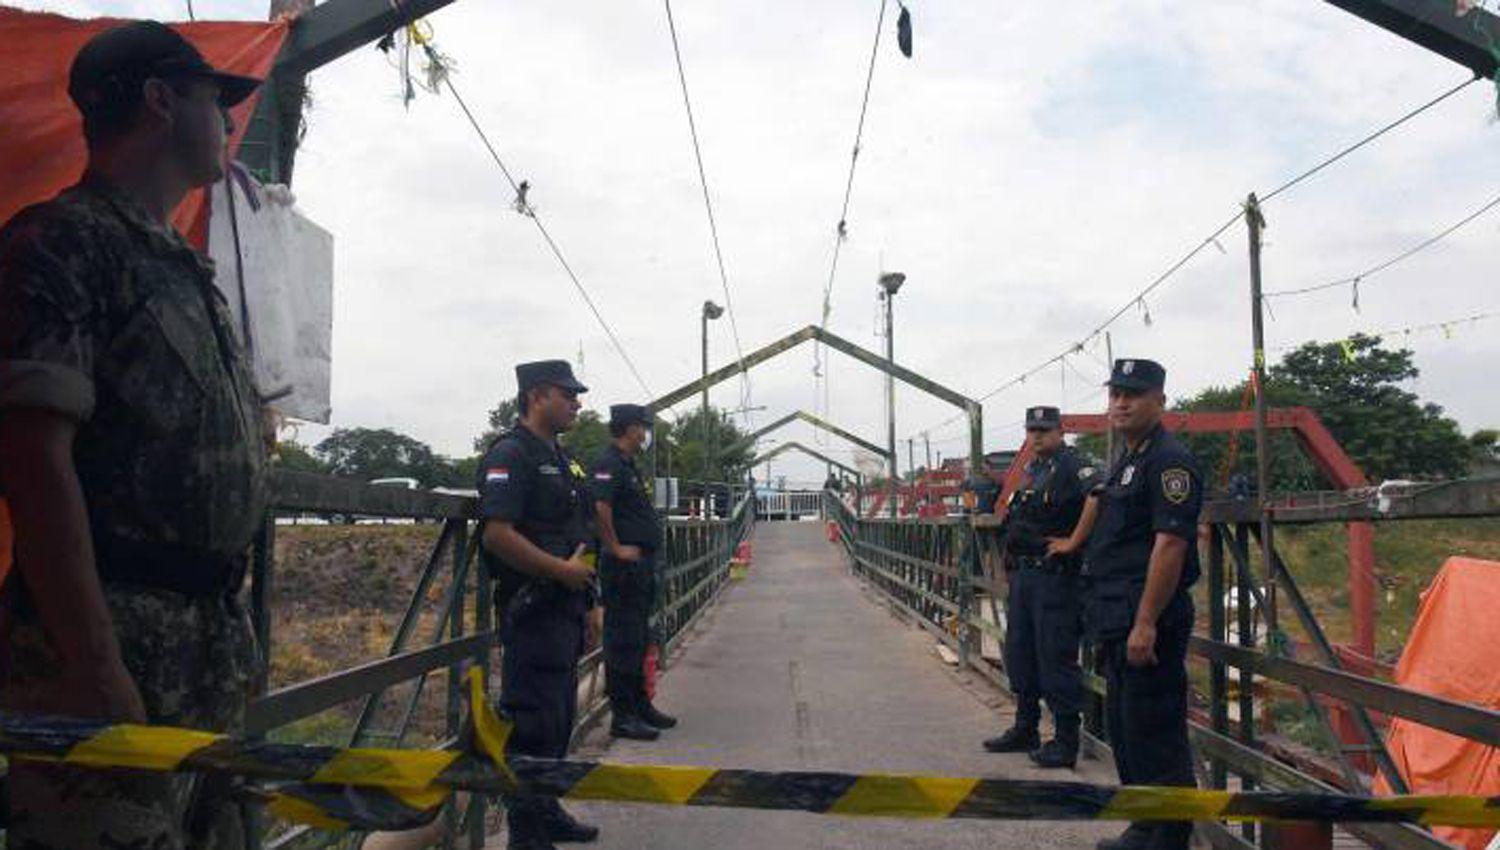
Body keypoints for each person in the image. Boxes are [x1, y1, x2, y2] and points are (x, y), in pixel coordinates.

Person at [0, 21, 269, 850]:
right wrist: (91, 661)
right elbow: (34, 464)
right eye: (212, 100)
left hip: (206, 648)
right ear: (160, 99)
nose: (227, 121)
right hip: (114, 644)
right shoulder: (61, 243)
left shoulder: (181, 267)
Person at [1050, 359, 1202, 850]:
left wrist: (1145, 623)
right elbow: (1101, 506)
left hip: (1146, 616)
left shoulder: (1168, 461)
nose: (1121, 402)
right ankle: (1143, 822)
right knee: (1126, 725)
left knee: (1156, 729)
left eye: (1133, 394)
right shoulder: (1128, 458)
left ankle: (1168, 836)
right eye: (1115, 393)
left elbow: (1171, 544)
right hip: (1115, 613)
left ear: (1160, 401)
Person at [476, 360, 604, 850]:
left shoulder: (563, 459)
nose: (576, 402)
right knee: (531, 724)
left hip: (565, 608)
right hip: (531, 610)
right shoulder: (512, 453)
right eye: (566, 394)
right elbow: (497, 535)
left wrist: (589, 600)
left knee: (557, 720)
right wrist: (561, 573)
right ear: (536, 396)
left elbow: (577, 534)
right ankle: (525, 836)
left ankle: (546, 810)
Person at [982, 407, 1095, 769]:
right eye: (1032, 430)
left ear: (1060, 431)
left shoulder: (1073, 464)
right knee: (1021, 652)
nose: (1037, 436)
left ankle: (1065, 740)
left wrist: (1074, 541)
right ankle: (1026, 726)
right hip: (1027, 576)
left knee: (1055, 656)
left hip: (1056, 576)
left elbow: (1099, 495)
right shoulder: (1034, 470)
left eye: (1045, 430)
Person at [591, 403, 677, 741]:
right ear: (629, 428)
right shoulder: (609, 463)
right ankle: (623, 715)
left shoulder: (626, 464)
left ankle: (640, 706)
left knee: (638, 638)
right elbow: (600, 507)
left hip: (638, 567)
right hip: (623, 568)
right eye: (642, 427)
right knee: (623, 641)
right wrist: (614, 547)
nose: (645, 434)